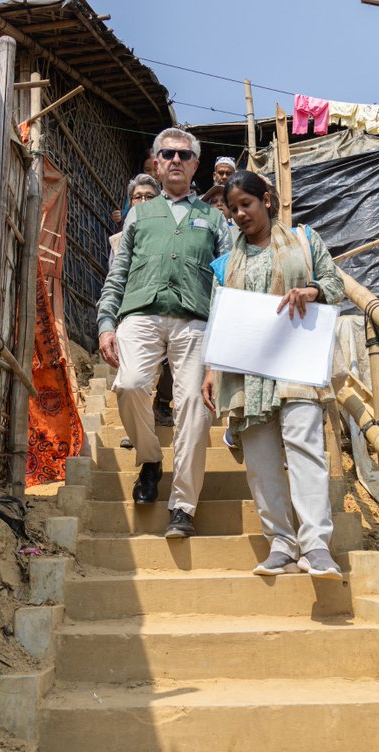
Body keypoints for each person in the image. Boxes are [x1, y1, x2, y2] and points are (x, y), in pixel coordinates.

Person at [201, 170, 344, 580]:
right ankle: (281, 542)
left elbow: (335, 282)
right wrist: (213, 370)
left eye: (246, 204)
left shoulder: (304, 240)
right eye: (233, 209)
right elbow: (220, 317)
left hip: (297, 362)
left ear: (267, 199)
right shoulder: (228, 262)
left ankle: (317, 547)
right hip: (247, 371)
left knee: (305, 448)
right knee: (260, 461)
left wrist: (312, 290)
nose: (240, 214)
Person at [96, 128, 231, 538]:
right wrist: (106, 322)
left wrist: (223, 340)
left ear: (195, 165)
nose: (175, 160)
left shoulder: (214, 219)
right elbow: (118, 274)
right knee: (131, 384)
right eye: (167, 154)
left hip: (195, 319)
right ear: (156, 163)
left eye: (184, 155)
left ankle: (183, 505)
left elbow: (226, 280)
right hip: (140, 314)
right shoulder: (138, 214)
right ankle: (151, 459)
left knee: (194, 403)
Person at [108, 173, 174, 433]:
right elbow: (115, 277)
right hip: (134, 312)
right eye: (138, 197)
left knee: (168, 366)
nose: (144, 201)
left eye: (150, 196)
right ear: (130, 203)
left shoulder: (172, 231)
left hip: (168, 309)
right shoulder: (119, 239)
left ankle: (163, 402)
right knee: (133, 375)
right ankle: (136, 428)